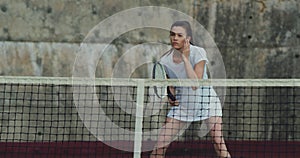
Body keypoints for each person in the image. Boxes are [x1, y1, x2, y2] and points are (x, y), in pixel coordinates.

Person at [150, 21, 231, 158]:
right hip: (184, 106)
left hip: (207, 103)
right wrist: (171, 96)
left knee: (218, 142)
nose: (175, 38)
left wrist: (186, 59)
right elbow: (170, 84)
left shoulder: (198, 52)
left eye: (179, 35)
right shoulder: (165, 60)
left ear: (188, 39)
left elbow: (195, 83)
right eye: (172, 34)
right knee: (160, 146)